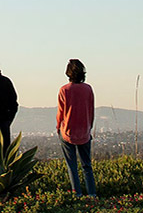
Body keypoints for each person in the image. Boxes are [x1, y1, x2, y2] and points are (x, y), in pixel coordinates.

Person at [57, 59, 96, 196]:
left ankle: (77, 193)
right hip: (84, 131)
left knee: (72, 166)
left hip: (68, 131)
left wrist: (58, 127)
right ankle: (92, 194)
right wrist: (89, 127)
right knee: (87, 165)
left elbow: (61, 113)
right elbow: (91, 110)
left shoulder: (64, 90)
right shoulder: (88, 89)